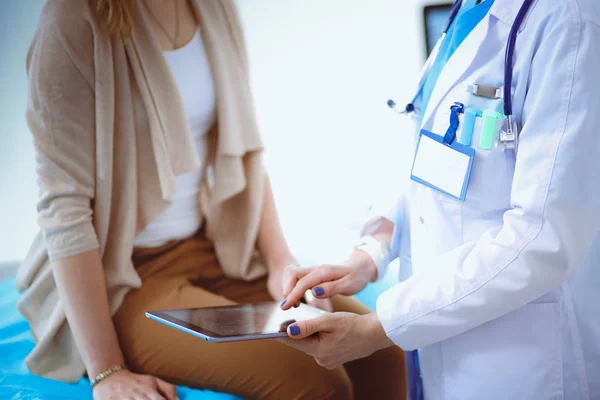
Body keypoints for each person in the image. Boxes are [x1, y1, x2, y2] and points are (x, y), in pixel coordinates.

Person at [15, 0, 407, 399]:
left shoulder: (213, 6)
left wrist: (279, 266)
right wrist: (106, 371)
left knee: (383, 349)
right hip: (125, 277)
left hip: (215, 251)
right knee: (316, 379)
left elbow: (246, 153)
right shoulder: (72, 19)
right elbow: (64, 211)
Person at [281, 0, 600, 399]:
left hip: (522, 358)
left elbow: (544, 237)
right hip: (443, 341)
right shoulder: (471, 10)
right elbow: (438, 169)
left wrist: (382, 326)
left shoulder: (569, 20)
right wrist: (371, 251)